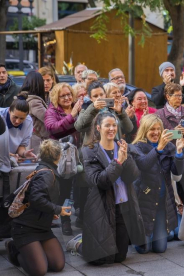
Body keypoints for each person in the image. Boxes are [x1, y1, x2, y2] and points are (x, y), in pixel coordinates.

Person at [66, 112, 145, 264]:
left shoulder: (122, 146)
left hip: (123, 206)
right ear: (98, 128)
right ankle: (78, 244)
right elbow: (99, 181)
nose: (111, 128)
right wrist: (118, 162)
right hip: (101, 207)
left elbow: (133, 176)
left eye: (114, 125)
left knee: (119, 257)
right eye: (107, 125)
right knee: (100, 260)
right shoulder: (89, 151)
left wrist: (126, 158)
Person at [5, 139, 71, 276]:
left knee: (58, 265)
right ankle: (14, 249)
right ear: (58, 156)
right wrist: (58, 209)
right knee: (39, 270)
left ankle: (35, 250)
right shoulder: (46, 173)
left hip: (42, 227)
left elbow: (41, 199)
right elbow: (36, 199)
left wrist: (50, 211)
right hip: (25, 228)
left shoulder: (44, 168)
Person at [130, 114, 184, 253]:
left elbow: (177, 174)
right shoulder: (136, 147)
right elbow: (144, 165)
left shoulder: (168, 147)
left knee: (160, 248)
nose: (156, 132)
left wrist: (179, 152)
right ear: (144, 130)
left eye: (158, 129)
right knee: (144, 249)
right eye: (152, 129)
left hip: (162, 201)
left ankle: (152, 232)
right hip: (145, 201)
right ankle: (135, 235)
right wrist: (158, 148)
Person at [44, 83, 82, 236]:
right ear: (56, 97)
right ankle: (65, 220)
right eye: (62, 95)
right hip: (62, 157)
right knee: (65, 190)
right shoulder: (52, 110)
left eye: (69, 94)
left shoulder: (79, 107)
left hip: (80, 154)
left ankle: (81, 215)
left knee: (81, 188)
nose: (67, 98)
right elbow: (52, 128)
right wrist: (71, 116)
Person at [156, 83, 184, 198]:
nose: (179, 98)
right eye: (176, 96)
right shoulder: (159, 114)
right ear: (167, 96)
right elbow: (157, 136)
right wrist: (173, 132)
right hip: (168, 155)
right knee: (171, 189)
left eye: (181, 96)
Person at [75, 81, 133, 146]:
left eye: (101, 94)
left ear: (105, 94)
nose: (99, 98)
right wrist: (93, 108)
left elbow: (129, 129)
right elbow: (79, 127)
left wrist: (121, 113)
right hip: (93, 150)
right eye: (95, 96)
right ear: (91, 98)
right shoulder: (86, 109)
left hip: (114, 148)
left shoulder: (113, 108)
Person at [0, 92, 36, 167]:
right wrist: (9, 155)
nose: (17, 121)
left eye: (22, 118)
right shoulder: (1, 116)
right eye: (15, 117)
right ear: (9, 110)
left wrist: (24, 153)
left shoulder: (28, 122)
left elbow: (21, 146)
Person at [20, 71, 49, 155]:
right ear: (38, 84)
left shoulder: (24, 98)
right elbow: (47, 118)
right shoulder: (34, 102)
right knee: (36, 164)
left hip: (30, 137)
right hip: (36, 139)